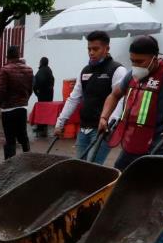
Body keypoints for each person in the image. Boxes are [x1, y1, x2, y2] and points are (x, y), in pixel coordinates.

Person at [100, 35, 163, 170]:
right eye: (132, 61)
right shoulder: (132, 76)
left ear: (154, 58)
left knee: (146, 183)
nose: (135, 66)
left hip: (157, 146)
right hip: (132, 142)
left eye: (140, 61)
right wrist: (104, 117)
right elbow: (114, 95)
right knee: (119, 172)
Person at [55, 31, 128, 163]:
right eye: (89, 49)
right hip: (84, 129)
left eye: (95, 49)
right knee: (80, 167)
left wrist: (110, 123)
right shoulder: (84, 71)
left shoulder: (117, 70)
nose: (91, 52)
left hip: (102, 130)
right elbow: (74, 98)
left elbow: (121, 99)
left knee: (92, 169)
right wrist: (60, 122)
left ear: (107, 49)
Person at [0, 45, 33, 159]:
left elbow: (1, 91)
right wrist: (24, 99)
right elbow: (30, 89)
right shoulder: (29, 70)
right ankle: (28, 159)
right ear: (18, 55)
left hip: (8, 109)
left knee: (10, 139)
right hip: (22, 108)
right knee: (23, 136)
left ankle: (9, 166)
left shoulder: (5, 70)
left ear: (7, 57)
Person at [31, 57, 54, 137]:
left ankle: (40, 127)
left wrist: (37, 91)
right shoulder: (49, 70)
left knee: (41, 111)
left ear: (41, 62)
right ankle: (44, 126)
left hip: (43, 94)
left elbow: (37, 82)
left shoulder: (41, 71)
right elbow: (52, 80)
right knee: (46, 111)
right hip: (49, 94)